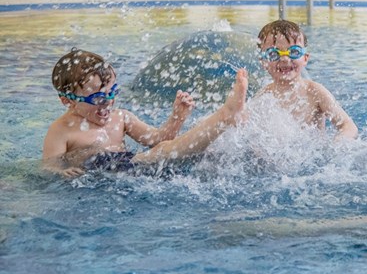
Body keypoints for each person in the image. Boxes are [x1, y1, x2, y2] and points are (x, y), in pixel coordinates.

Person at [43, 48, 248, 177]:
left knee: (191, 157)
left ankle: (224, 121)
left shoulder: (120, 117)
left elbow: (158, 138)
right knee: (164, 154)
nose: (107, 103)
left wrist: (177, 116)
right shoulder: (61, 130)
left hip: (128, 168)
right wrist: (61, 172)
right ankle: (224, 116)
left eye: (112, 92)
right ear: (67, 100)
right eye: (97, 98)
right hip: (99, 171)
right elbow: (48, 166)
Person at [253, 19, 358, 140]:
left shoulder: (315, 92)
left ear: (305, 58)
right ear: (263, 62)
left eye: (294, 52)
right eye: (273, 54)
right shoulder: (263, 97)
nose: (285, 59)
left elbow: (349, 126)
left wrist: (338, 142)